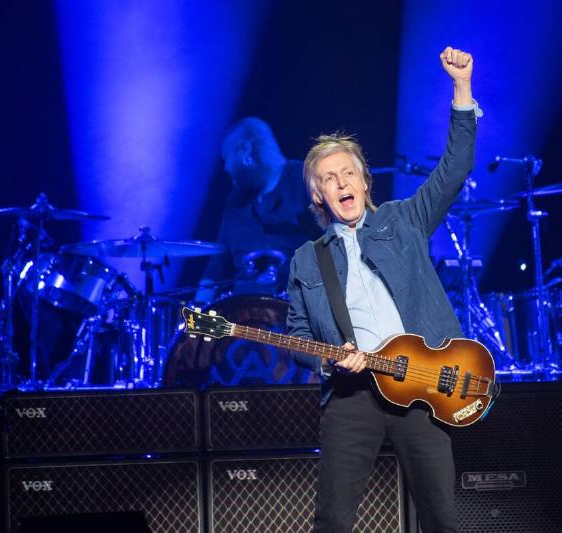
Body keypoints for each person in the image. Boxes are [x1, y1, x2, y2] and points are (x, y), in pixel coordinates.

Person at [286, 46, 480, 532]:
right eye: (329, 179)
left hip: (420, 386)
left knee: (440, 517)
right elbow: (296, 336)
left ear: (364, 181)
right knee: (332, 521)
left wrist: (461, 89)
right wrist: (330, 357)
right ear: (319, 196)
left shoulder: (403, 221)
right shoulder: (308, 259)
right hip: (353, 396)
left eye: (348, 172)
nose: (341, 183)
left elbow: (452, 172)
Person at [196, 117, 320, 302]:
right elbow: (217, 264)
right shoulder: (235, 201)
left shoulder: (304, 179)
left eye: (227, 158)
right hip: (242, 314)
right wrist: (196, 309)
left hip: (299, 310)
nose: (226, 168)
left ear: (245, 149)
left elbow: (339, 245)